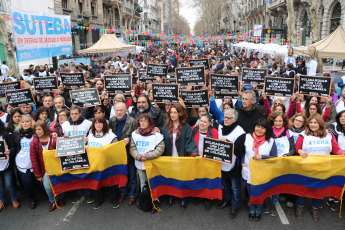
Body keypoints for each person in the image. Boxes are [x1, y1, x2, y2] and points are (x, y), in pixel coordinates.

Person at [295, 114, 345, 221]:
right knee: (303, 189)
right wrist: (299, 151)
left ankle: (315, 209)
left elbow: (336, 149)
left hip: (322, 169)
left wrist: (343, 153)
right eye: (311, 122)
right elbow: (297, 148)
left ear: (320, 123)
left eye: (315, 122)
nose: (313, 125)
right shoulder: (303, 134)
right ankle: (299, 207)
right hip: (306, 169)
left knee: (318, 190)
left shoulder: (329, 135)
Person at [162, 104, 198, 210]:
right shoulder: (165, 126)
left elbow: (189, 142)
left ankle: (183, 198)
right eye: (171, 112)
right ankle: (171, 197)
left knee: (182, 179)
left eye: (175, 112)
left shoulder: (186, 126)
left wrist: (194, 154)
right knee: (170, 178)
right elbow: (162, 142)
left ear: (180, 113)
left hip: (181, 157)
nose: (172, 115)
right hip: (169, 157)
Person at [242, 118, 277, 222]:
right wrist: (242, 162)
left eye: (262, 127)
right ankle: (252, 209)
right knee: (251, 191)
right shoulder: (247, 137)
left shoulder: (271, 141)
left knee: (260, 192)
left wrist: (263, 157)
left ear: (267, 130)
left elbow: (274, 158)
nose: (259, 129)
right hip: (248, 170)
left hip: (262, 172)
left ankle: (259, 210)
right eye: (258, 126)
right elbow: (242, 151)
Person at [130, 114, 165, 213]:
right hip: (140, 164)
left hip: (152, 164)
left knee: (153, 183)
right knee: (143, 183)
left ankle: (155, 202)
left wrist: (148, 156)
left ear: (149, 122)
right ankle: (144, 201)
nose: (143, 123)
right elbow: (132, 148)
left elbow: (160, 149)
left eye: (145, 121)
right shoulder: (134, 134)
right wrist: (138, 156)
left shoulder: (156, 135)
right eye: (141, 121)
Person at [216, 109, 246, 218]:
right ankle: (227, 200)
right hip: (221, 162)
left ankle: (235, 206)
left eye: (228, 118)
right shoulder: (220, 126)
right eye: (225, 117)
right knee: (226, 185)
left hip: (234, 165)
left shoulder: (240, 132)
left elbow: (239, 150)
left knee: (235, 188)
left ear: (235, 119)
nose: (226, 119)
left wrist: (228, 142)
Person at [30, 120, 65, 212]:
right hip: (44, 169)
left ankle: (61, 197)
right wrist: (38, 175)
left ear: (45, 129)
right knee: (47, 187)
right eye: (36, 129)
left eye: (39, 129)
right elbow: (34, 159)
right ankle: (53, 201)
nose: (37, 132)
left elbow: (63, 149)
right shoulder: (34, 142)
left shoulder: (53, 139)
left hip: (56, 167)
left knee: (60, 184)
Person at [86, 117, 119, 209]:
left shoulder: (111, 136)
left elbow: (115, 149)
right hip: (95, 165)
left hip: (108, 164)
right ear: (93, 125)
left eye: (100, 123)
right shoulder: (90, 136)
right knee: (96, 183)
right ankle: (97, 200)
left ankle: (114, 200)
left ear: (104, 124)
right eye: (96, 123)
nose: (98, 125)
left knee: (111, 183)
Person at [108, 102, 137, 205]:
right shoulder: (111, 121)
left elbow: (137, 137)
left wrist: (129, 140)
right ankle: (123, 192)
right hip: (117, 154)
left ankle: (133, 195)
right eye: (117, 110)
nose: (119, 112)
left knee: (132, 175)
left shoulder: (133, 122)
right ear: (114, 111)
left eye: (121, 110)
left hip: (129, 153)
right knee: (121, 175)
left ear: (126, 111)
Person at [191, 114, 218, 211]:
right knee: (198, 178)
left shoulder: (214, 132)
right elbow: (188, 144)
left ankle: (208, 199)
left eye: (205, 121)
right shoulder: (192, 130)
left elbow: (216, 147)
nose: (202, 123)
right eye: (201, 121)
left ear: (209, 124)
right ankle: (199, 195)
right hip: (196, 159)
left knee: (208, 179)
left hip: (209, 161)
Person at [14, 115, 37, 209]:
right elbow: (13, 147)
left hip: (34, 163)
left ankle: (42, 195)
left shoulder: (35, 133)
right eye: (23, 122)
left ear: (31, 123)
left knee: (36, 182)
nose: (25, 123)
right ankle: (31, 199)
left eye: (27, 121)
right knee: (27, 183)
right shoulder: (17, 134)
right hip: (22, 163)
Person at [0, 120, 19, 211]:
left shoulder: (6, 134)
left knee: (9, 183)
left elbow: (13, 147)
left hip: (6, 164)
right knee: (0, 184)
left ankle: (13, 199)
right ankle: (2, 200)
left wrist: (10, 151)